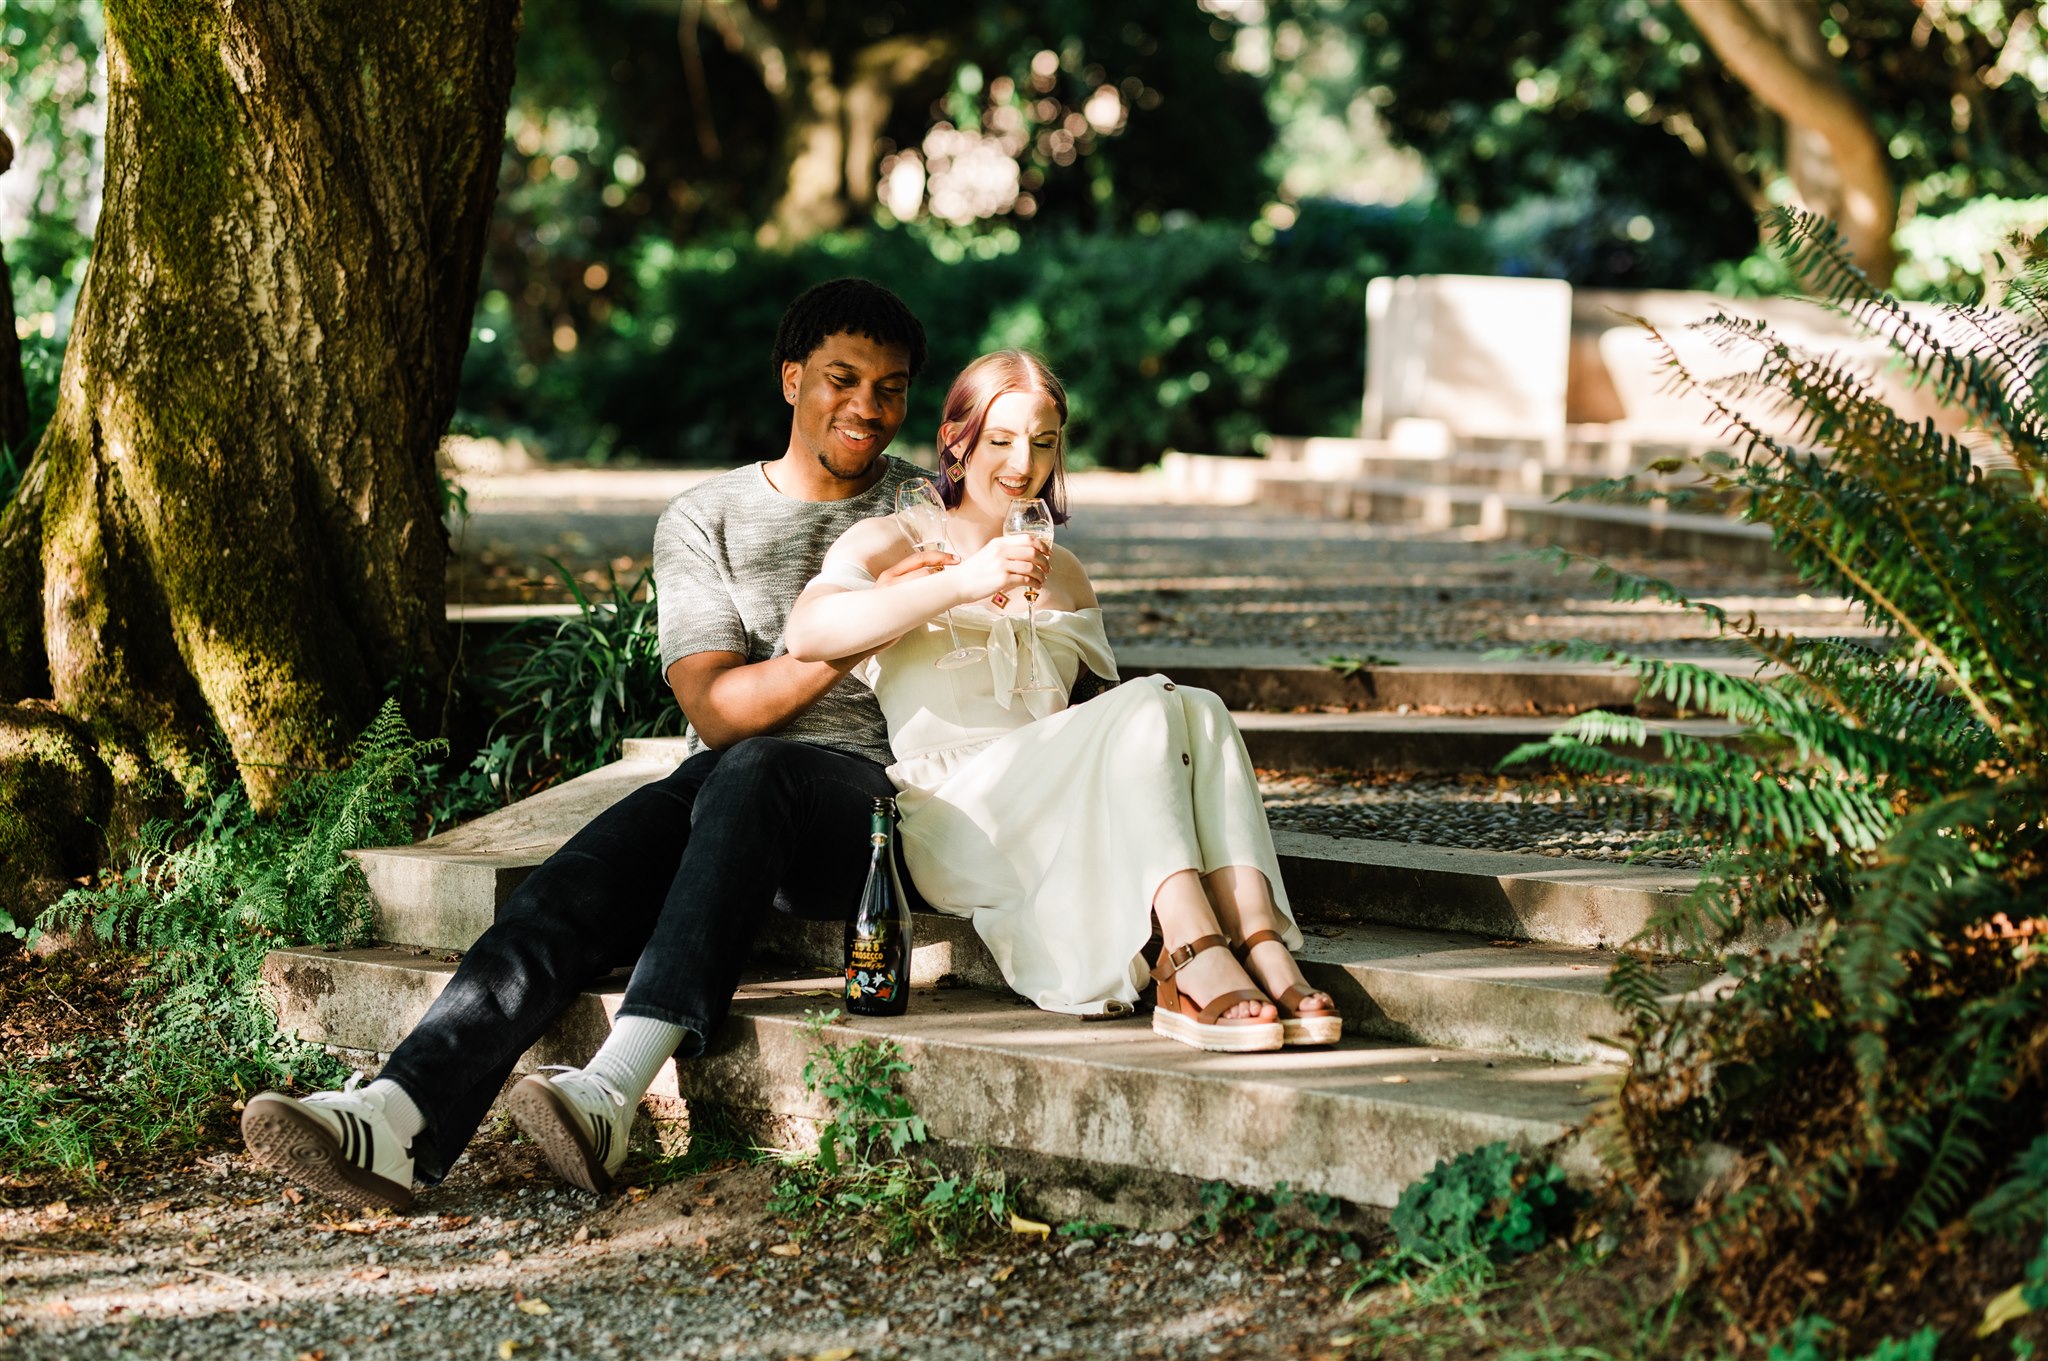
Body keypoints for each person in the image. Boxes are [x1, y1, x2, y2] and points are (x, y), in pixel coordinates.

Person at [239, 279, 949, 1208]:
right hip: (732, 784)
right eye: (842, 378)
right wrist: (860, 632)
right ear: (790, 379)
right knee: (575, 883)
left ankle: (614, 1090)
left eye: (890, 388)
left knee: (755, 769)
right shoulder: (705, 518)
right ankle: (398, 1115)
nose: (868, 406)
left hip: (871, 808)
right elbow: (718, 709)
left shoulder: (927, 505)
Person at [781, 351, 1342, 1052]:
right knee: (1154, 702)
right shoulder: (893, 539)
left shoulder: (1064, 571)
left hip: (1056, 805)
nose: (1024, 463)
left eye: (1043, 443)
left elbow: (1136, 735)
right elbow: (806, 634)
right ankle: (1190, 952)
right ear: (956, 438)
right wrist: (957, 584)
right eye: (1002, 439)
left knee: (1197, 707)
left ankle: (1259, 940)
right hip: (956, 814)